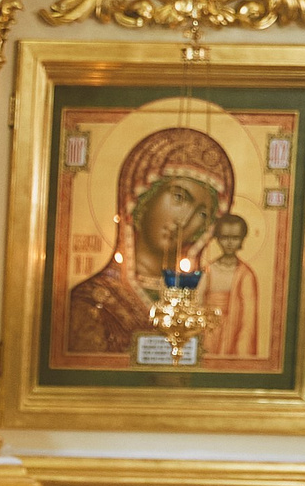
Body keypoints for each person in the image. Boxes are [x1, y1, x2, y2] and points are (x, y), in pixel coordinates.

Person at [63, 125, 234, 357]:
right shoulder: (91, 302)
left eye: (203, 214)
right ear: (141, 196)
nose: (185, 221)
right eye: (179, 197)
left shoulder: (205, 305)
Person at [200, 213, 262, 362]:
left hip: (233, 333)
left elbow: (248, 319)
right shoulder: (208, 270)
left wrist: (242, 351)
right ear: (217, 238)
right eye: (224, 237)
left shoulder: (246, 274)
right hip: (208, 331)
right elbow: (198, 301)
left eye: (234, 238)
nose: (229, 243)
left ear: (242, 239)